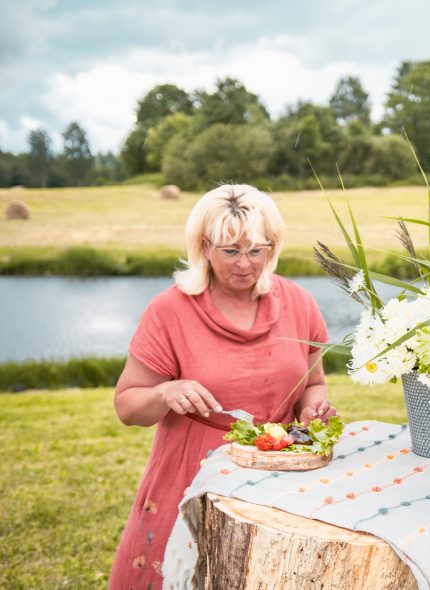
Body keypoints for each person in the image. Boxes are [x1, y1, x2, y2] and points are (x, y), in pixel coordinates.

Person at [109, 184, 336, 589]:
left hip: (277, 469)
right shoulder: (169, 310)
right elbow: (127, 406)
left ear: (273, 245)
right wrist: (165, 393)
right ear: (204, 247)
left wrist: (312, 410)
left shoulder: (299, 302)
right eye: (230, 251)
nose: (245, 264)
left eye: (257, 250)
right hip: (192, 474)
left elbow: (313, 384)